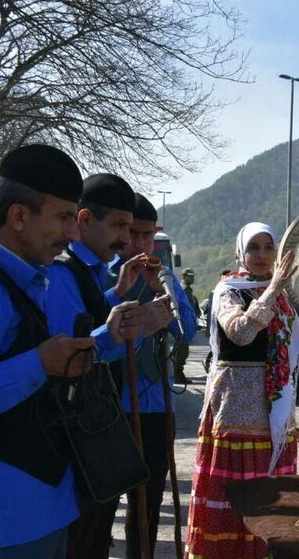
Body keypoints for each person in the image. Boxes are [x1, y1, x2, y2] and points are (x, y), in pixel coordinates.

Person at [0, 145, 136, 558]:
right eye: (62, 217)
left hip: (49, 510)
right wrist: (39, 364)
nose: (73, 234)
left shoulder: (38, 284)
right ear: (19, 216)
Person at [185, 222, 299, 559]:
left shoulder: (280, 299)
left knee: (272, 501)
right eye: (254, 248)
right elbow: (240, 333)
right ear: (241, 253)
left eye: (268, 247)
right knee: (238, 495)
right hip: (236, 412)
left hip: (275, 417)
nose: (263, 255)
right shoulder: (229, 291)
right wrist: (273, 289)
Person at [44, 173, 174, 559]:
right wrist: (124, 331)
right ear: (85, 221)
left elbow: (88, 317)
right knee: (82, 537)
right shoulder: (61, 271)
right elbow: (68, 351)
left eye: (133, 228)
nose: (126, 238)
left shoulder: (101, 272)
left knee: (98, 532)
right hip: (75, 433)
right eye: (120, 226)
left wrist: (119, 293)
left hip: (103, 422)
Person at [106, 194, 197, 559]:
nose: (141, 244)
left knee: (149, 500)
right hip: (113, 406)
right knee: (106, 498)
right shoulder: (105, 275)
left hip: (158, 404)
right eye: (134, 234)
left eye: (148, 236)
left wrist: (162, 289)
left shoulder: (165, 275)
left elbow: (188, 330)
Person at [176, 268, 200, 384]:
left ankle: (178, 373)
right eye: (190, 276)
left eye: (193, 276)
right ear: (184, 277)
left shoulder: (187, 290)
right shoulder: (183, 289)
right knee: (181, 351)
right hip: (183, 323)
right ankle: (178, 375)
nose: (192, 278)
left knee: (183, 350)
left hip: (187, 323)